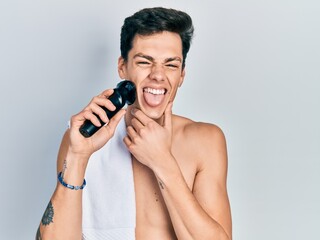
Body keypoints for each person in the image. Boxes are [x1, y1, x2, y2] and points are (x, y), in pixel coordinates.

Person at [36, 7, 232, 240]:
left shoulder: (205, 140)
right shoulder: (83, 138)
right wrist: (78, 157)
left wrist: (162, 161)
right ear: (123, 67)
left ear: (181, 75)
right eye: (144, 62)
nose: (158, 75)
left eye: (170, 64)